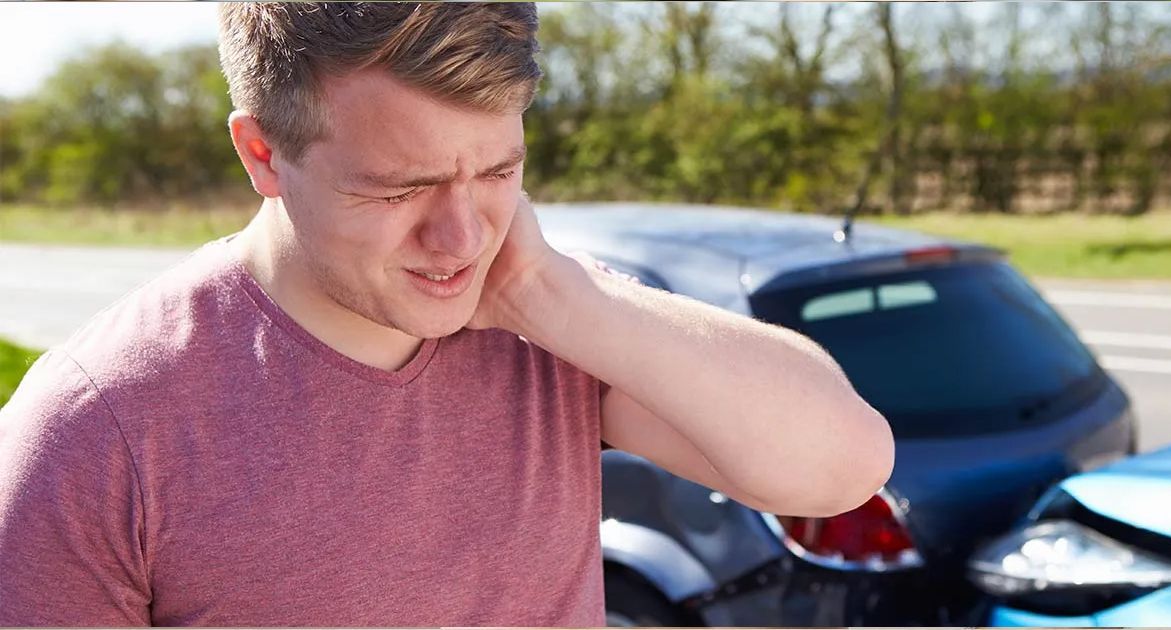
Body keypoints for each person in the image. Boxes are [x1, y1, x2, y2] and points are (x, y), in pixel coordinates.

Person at [0, 3, 893, 626]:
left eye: (498, 172)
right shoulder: (94, 429)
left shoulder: (546, 320)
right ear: (263, 153)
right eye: (404, 185)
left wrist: (547, 294)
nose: (461, 235)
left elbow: (840, 469)